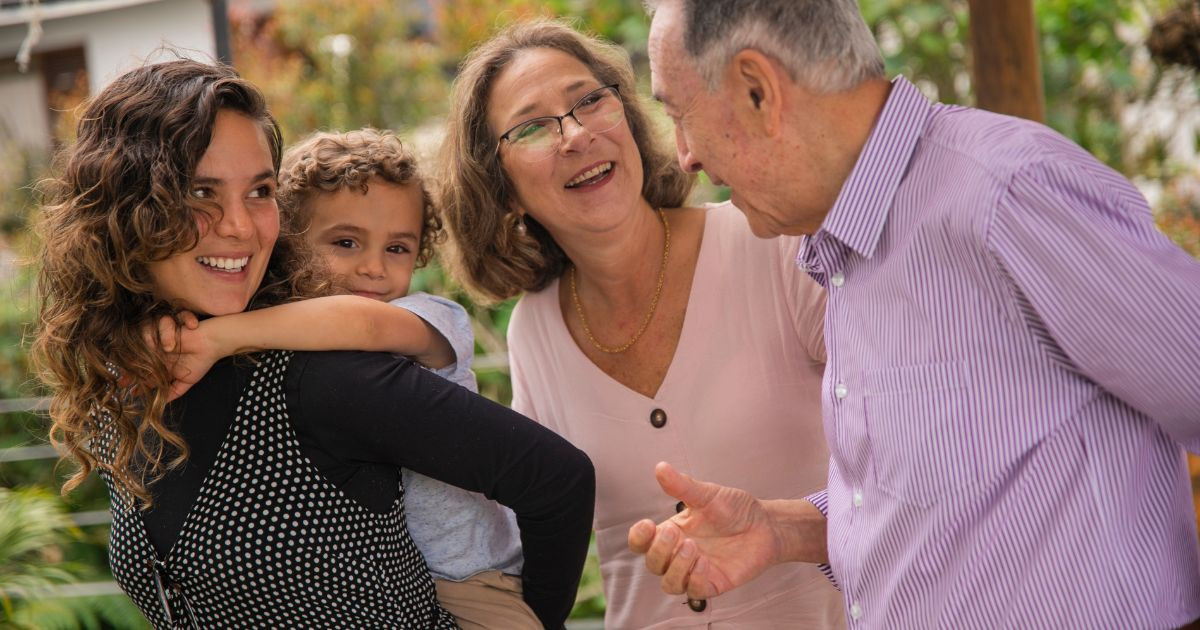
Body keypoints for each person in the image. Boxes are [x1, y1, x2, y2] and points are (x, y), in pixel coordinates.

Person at [629, 0, 1200, 627]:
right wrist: (780, 528)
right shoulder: (843, 240)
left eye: (679, 114)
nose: (684, 156)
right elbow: (954, 492)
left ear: (757, 89)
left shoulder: (1008, 192)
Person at [33, 59, 594, 629]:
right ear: (123, 210)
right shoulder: (124, 380)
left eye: (260, 191)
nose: (240, 226)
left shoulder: (323, 376)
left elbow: (557, 479)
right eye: (202, 192)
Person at [438, 19, 842, 629]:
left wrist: (787, 530)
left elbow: (909, 470)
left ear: (626, 116)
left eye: (588, 100)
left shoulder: (771, 247)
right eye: (532, 127)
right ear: (504, 189)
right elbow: (523, 534)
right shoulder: (534, 331)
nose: (576, 135)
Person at [150, 127, 536, 629]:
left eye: (398, 248)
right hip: (398, 582)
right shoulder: (292, 334)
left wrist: (215, 338)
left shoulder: (430, 318)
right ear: (291, 243)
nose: (374, 268)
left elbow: (362, 324)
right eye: (346, 242)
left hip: (474, 577)